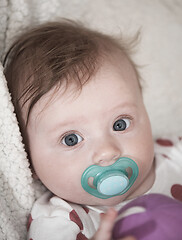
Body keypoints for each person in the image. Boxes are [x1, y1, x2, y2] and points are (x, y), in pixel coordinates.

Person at [3, 20, 182, 240]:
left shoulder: (175, 155)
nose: (107, 151)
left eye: (120, 124)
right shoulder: (60, 222)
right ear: (28, 160)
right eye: (71, 139)